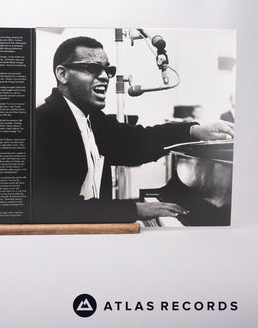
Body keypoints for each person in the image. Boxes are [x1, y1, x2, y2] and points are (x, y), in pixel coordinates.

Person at [34, 36, 234, 224]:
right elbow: (56, 208)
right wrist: (134, 210)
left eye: (108, 70)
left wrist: (194, 131)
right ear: (62, 74)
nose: (104, 77)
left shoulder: (92, 118)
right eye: (92, 68)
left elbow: (138, 142)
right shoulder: (44, 123)